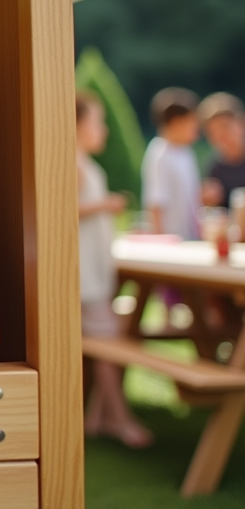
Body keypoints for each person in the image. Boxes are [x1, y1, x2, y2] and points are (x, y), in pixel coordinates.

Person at [76, 90, 153, 448]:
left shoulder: (86, 163)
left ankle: (99, 417)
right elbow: (62, 209)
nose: (103, 130)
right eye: (97, 121)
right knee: (109, 343)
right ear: (77, 125)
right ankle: (119, 419)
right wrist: (104, 204)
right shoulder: (74, 164)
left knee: (107, 341)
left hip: (93, 274)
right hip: (85, 278)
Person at [141, 87, 201, 240]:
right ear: (176, 123)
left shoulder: (186, 152)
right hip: (173, 242)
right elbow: (156, 204)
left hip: (190, 238)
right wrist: (162, 242)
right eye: (192, 123)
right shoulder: (159, 154)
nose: (196, 130)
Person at [198, 92, 245, 208]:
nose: (220, 136)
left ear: (241, 123)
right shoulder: (214, 168)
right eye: (213, 132)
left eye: (224, 127)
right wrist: (208, 201)